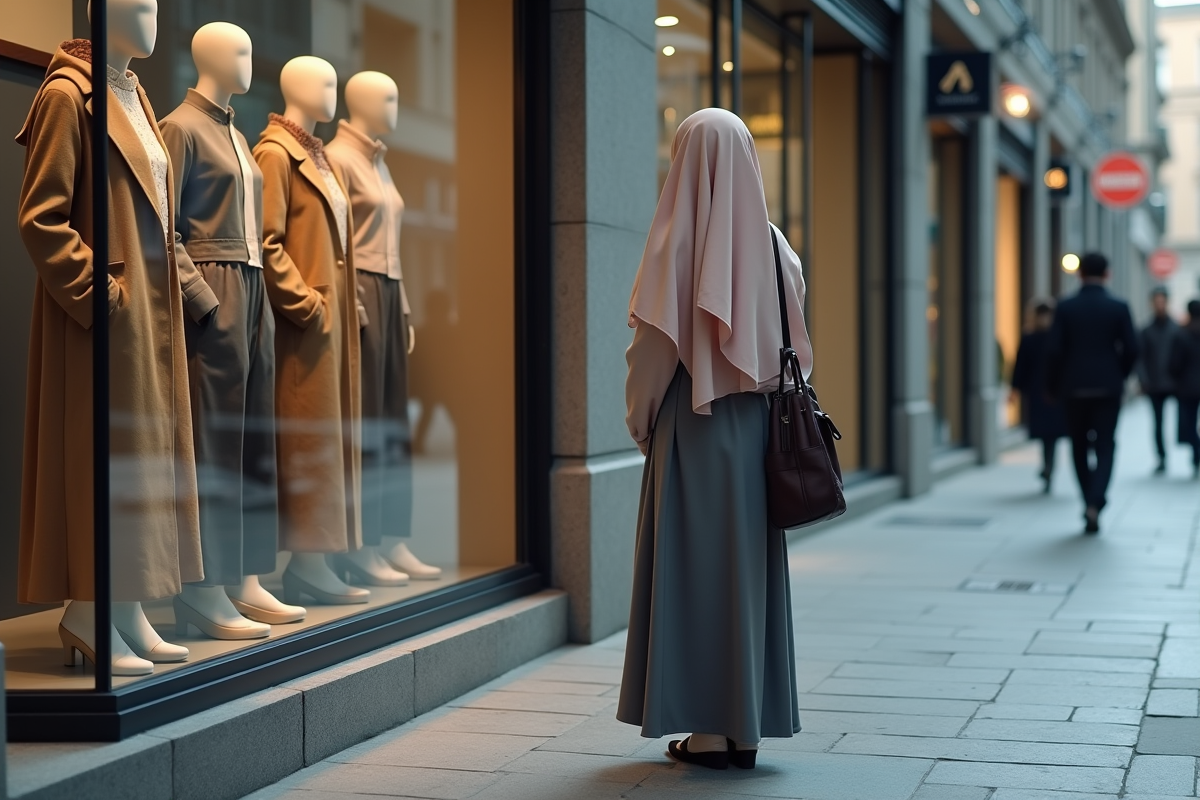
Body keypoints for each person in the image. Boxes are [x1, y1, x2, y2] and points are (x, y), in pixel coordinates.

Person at [617, 108, 809, 770]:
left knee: (694, 573)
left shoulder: (676, 241)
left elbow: (651, 353)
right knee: (744, 576)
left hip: (693, 430)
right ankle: (745, 728)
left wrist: (641, 421)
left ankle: (704, 733)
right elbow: (794, 353)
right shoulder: (778, 245)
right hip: (758, 431)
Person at [1045, 252, 1139, 534]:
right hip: (1108, 387)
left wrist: (1052, 386)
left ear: (1079, 274)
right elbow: (1132, 349)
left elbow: (1054, 350)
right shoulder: (1119, 306)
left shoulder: (1065, 307)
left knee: (1078, 445)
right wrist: (1118, 374)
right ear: (1107, 274)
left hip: (1073, 387)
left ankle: (1088, 499)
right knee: (1106, 445)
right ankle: (1096, 501)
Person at [1010, 299, 1067, 493]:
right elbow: (1020, 366)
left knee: (1051, 435)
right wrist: (1015, 389)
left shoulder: (1056, 337)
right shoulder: (1030, 338)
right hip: (1038, 392)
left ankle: (1049, 467)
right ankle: (1048, 466)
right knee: (1046, 435)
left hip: (1054, 393)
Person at [1138, 287, 1179, 474]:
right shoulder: (1147, 330)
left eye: (1162, 301)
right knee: (1158, 422)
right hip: (1154, 383)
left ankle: (1194, 452)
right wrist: (1143, 380)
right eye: (1157, 301)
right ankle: (1161, 456)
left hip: (1175, 382)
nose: (1159, 305)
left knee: (1185, 417)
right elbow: (1140, 358)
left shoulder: (1176, 329)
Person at [1169, 299, 1200, 478]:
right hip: (1189, 385)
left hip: (1187, 387)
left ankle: (1196, 451)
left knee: (1188, 423)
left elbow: (1174, 363)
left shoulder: (1182, 334)